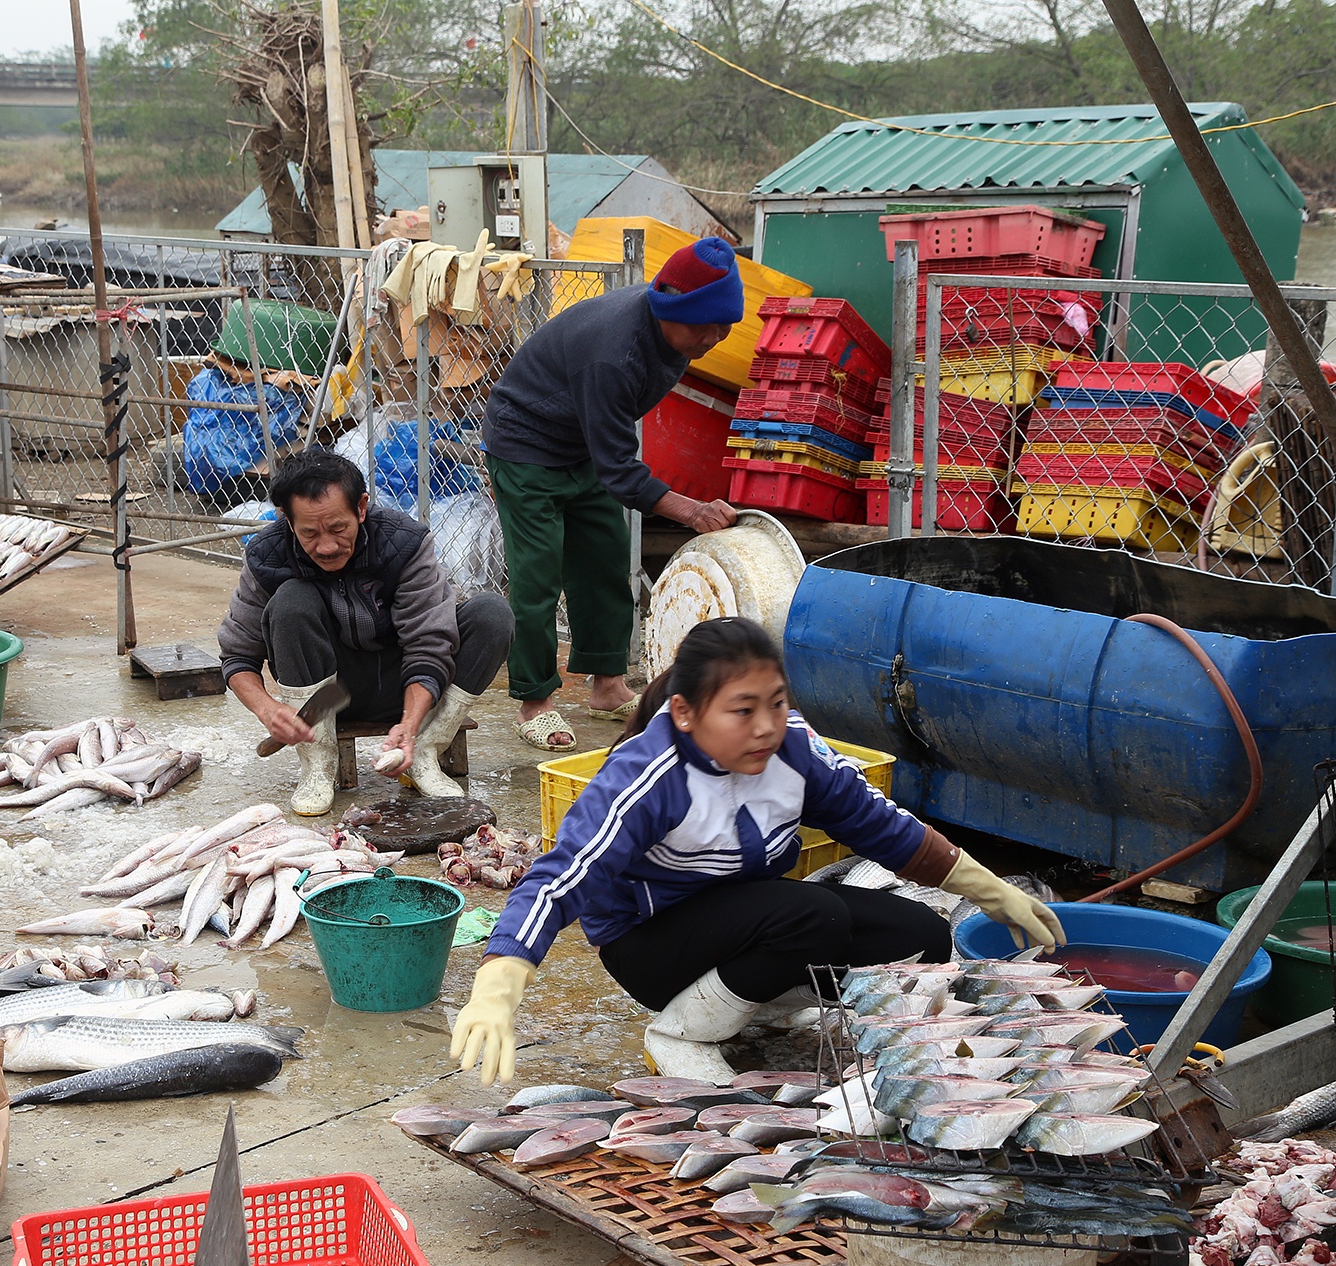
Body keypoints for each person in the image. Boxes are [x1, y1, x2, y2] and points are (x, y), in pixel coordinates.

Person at [448, 617, 1066, 1085]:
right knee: (811, 916)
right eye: (742, 711)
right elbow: (561, 878)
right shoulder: (647, 775)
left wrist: (996, 893)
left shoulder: (792, 749)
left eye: (776, 703)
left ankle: (754, 1005)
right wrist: (500, 982)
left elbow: (883, 827)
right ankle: (679, 1033)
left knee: (922, 936)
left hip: (750, 915)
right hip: (650, 945)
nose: (766, 727)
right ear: (687, 714)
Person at [482, 235, 746, 752]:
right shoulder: (614, 352)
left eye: (725, 326)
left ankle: (607, 687)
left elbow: (614, 456)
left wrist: (606, 458)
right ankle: (535, 702)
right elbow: (622, 473)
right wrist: (690, 510)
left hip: (580, 443)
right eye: (704, 325)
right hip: (525, 444)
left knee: (604, 563)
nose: (714, 337)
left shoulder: (677, 335)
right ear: (670, 309)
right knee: (537, 577)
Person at [219, 450, 514, 816]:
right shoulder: (267, 554)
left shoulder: (403, 542)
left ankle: (424, 749)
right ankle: (318, 765)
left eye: (338, 528)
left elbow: (428, 645)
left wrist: (409, 723)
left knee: (492, 613)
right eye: (309, 533)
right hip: (329, 697)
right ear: (287, 520)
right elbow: (237, 656)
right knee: (291, 601)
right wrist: (268, 709)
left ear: (361, 508)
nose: (326, 546)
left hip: (406, 688)